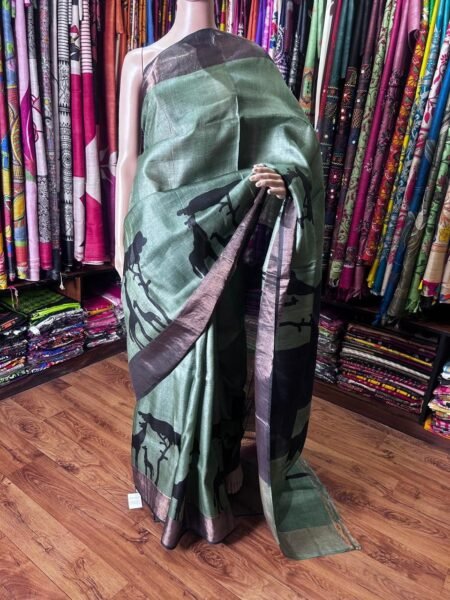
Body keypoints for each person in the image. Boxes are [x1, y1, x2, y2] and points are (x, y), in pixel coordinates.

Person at [115, 1, 346, 560]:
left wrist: (284, 177)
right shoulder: (140, 60)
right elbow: (128, 161)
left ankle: (209, 484)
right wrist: (124, 248)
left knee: (218, 363)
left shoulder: (252, 59)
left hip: (222, 242)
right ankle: (165, 479)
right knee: (166, 374)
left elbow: (296, 143)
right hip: (156, 245)